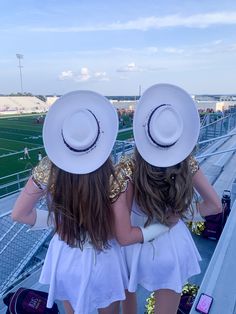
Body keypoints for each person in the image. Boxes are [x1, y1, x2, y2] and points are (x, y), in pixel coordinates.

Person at [11, 90, 168, 314]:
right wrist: (160, 227)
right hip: (105, 259)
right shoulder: (114, 177)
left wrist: (60, 220)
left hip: (66, 257)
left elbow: (19, 214)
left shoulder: (49, 170)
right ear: (99, 137)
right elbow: (124, 235)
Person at [112, 84, 222, 314]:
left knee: (128, 299)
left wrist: (159, 224)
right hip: (173, 246)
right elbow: (215, 205)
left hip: (135, 246)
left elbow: (122, 235)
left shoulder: (127, 166)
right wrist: (179, 215)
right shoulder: (187, 162)